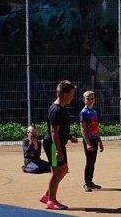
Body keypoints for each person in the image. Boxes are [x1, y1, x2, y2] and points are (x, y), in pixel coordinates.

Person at [39, 80, 78, 210]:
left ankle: (47, 195)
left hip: (58, 144)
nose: (73, 97)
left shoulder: (61, 108)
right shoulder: (56, 110)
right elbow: (54, 132)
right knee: (56, 172)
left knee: (64, 169)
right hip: (54, 145)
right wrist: (58, 151)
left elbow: (61, 130)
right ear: (65, 94)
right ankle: (51, 201)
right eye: (72, 94)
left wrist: (69, 136)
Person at [80, 90, 104, 192]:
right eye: (88, 99)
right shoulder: (83, 112)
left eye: (92, 99)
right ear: (84, 100)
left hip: (94, 139)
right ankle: (86, 182)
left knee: (93, 161)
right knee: (89, 161)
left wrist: (100, 141)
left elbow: (95, 128)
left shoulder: (94, 112)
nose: (90, 101)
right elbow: (83, 128)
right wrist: (88, 143)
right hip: (88, 140)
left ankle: (90, 181)